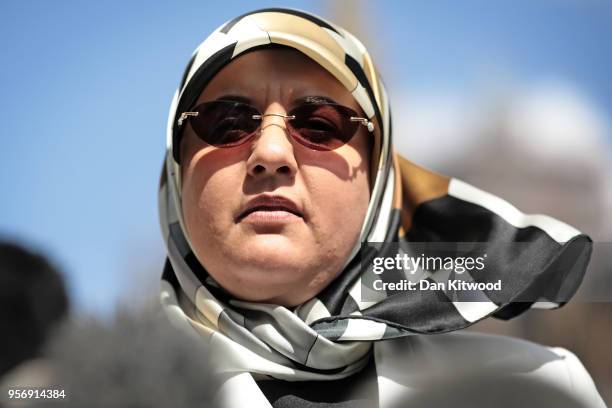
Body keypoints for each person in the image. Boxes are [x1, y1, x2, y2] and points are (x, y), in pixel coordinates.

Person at [158, 8, 605, 407]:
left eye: (319, 124)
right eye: (227, 122)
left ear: (378, 178)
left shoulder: (532, 390)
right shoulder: (102, 387)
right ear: (177, 172)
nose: (271, 153)